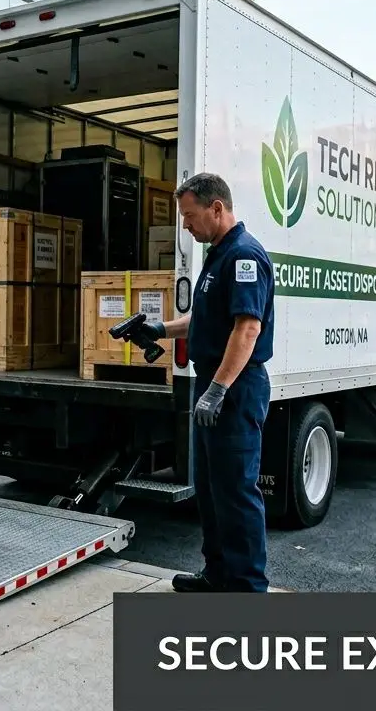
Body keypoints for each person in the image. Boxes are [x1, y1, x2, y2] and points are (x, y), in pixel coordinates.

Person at [119, 172, 275, 593]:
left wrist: (219, 389)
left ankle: (245, 589)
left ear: (216, 208)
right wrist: (159, 328)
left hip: (236, 388)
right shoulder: (218, 255)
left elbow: (247, 330)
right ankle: (218, 574)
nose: (185, 225)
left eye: (189, 216)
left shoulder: (245, 256)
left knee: (237, 491)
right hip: (215, 383)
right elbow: (204, 321)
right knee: (209, 489)